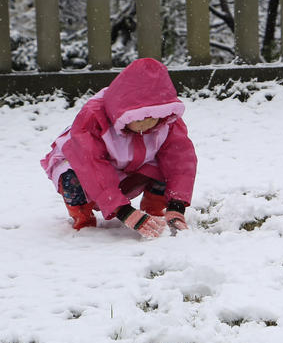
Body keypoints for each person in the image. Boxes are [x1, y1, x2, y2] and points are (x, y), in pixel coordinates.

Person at [41, 58, 197, 238]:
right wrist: (123, 211)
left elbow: (180, 163)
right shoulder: (93, 118)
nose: (145, 125)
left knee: (166, 165)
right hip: (84, 165)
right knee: (72, 177)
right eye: (138, 118)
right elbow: (92, 166)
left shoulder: (168, 121)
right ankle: (83, 219)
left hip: (135, 164)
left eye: (152, 118)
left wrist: (176, 205)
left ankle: (154, 211)